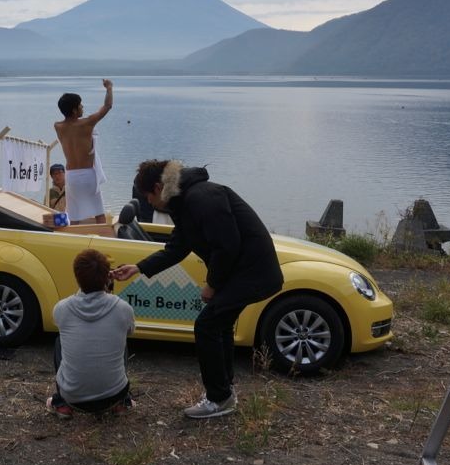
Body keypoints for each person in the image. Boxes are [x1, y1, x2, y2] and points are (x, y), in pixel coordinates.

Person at [111, 160, 282, 419]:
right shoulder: (183, 203)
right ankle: (225, 392)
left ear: (158, 187)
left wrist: (212, 284)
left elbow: (227, 245)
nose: (148, 202)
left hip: (253, 271)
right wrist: (138, 267)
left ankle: (219, 398)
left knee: (207, 326)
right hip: (241, 270)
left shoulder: (202, 197)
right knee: (219, 324)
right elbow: (177, 248)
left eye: (147, 196)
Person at [47, 248, 136, 418]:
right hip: (114, 396)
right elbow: (130, 331)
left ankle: (61, 404)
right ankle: (123, 404)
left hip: (73, 398)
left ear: (76, 276)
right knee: (120, 338)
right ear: (107, 276)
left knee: (60, 341)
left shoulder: (62, 308)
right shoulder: (123, 309)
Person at [54, 79, 113, 224]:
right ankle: (104, 240)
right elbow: (107, 105)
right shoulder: (87, 123)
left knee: (74, 215)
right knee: (99, 214)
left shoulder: (57, 126)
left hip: (72, 176)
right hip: (88, 175)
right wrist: (109, 88)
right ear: (74, 110)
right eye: (80, 105)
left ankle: (74, 240)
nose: (82, 107)